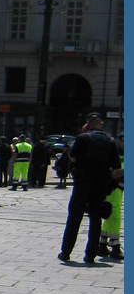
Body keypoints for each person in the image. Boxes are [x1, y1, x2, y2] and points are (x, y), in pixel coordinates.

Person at [58, 112, 122, 264]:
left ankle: (66, 252)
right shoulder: (110, 141)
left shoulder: (83, 138)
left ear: (88, 125)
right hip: (100, 185)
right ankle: (91, 255)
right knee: (95, 219)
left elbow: (72, 157)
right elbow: (115, 170)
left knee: (74, 217)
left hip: (82, 183)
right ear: (102, 124)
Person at [97, 133, 123, 260]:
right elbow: (115, 173)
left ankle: (102, 243)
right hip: (113, 187)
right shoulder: (114, 152)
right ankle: (115, 245)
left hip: (118, 187)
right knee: (115, 215)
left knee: (109, 215)